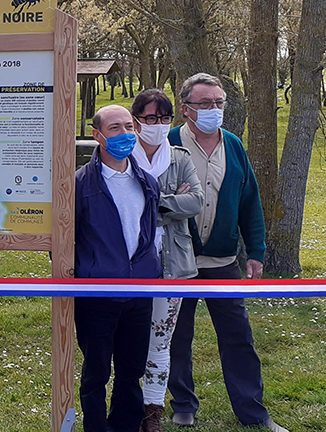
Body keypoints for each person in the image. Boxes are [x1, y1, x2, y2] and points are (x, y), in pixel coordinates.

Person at [166, 73, 287, 432]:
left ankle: (253, 412)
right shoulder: (169, 144)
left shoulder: (233, 145)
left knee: (238, 337)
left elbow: (250, 202)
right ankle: (183, 404)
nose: (214, 109)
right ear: (186, 108)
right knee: (176, 337)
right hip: (179, 261)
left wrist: (256, 251)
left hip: (222, 262)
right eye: (205, 103)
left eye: (218, 102)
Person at [74, 104, 163, 432]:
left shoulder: (147, 183)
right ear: (97, 135)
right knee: (96, 372)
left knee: (131, 370)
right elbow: (67, 239)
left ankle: (126, 425)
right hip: (97, 294)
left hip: (139, 293)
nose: (125, 134)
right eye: (115, 128)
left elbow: (148, 233)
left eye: (129, 126)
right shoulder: (80, 185)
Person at [127, 89, 203, 432]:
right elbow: (118, 206)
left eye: (164, 118)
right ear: (136, 121)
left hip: (172, 266)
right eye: (150, 118)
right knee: (129, 340)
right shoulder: (121, 156)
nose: (157, 124)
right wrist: (172, 201)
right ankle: (127, 405)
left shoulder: (179, 158)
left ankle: (152, 412)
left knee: (160, 341)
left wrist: (153, 201)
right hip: (128, 264)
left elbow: (196, 202)